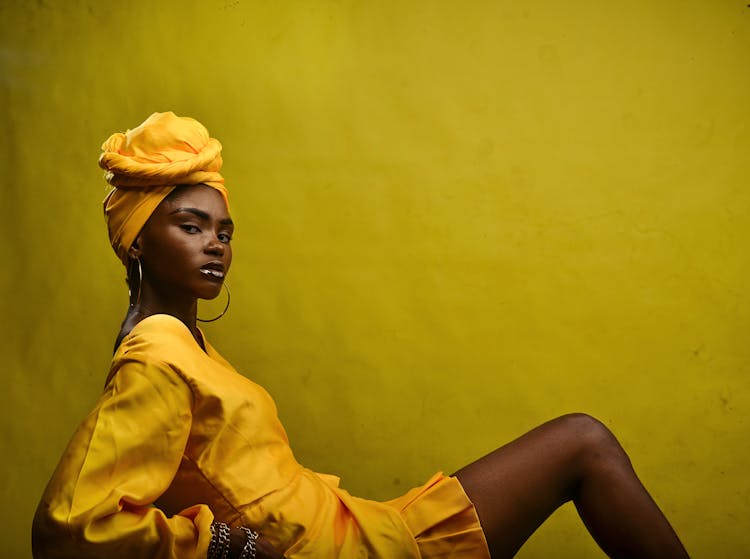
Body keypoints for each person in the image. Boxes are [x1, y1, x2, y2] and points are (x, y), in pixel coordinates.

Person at [32, 112, 690, 559]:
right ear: (139, 237)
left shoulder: (183, 344)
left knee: (581, 440)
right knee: (583, 441)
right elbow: (71, 525)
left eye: (224, 231)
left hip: (358, 527)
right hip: (339, 551)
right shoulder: (157, 358)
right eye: (191, 224)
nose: (216, 244)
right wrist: (219, 546)